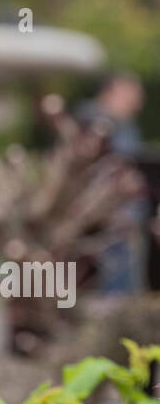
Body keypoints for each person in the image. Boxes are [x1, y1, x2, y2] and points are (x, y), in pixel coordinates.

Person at [76, 72, 147, 296]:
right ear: (114, 89)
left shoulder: (127, 125)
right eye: (132, 92)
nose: (138, 99)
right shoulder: (95, 121)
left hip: (126, 214)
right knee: (111, 280)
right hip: (105, 212)